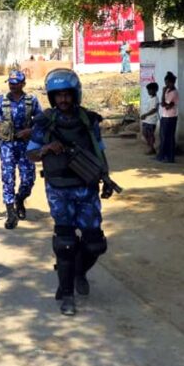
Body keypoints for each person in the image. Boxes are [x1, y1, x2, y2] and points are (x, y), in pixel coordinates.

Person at [26, 68, 115, 316]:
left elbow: (100, 151)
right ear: (52, 98)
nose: (63, 100)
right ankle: (67, 294)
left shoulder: (89, 120)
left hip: (86, 187)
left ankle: (78, 272)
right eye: (58, 96)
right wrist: (46, 148)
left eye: (67, 95)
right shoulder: (44, 122)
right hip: (59, 189)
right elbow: (30, 154)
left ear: (75, 94)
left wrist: (106, 177)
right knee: (65, 242)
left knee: (95, 244)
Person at [0, 70, 43, 230]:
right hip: (7, 145)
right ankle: (11, 213)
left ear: (23, 84)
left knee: (28, 179)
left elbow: (41, 122)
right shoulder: (1, 100)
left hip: (26, 145)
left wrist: (30, 131)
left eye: (16, 83)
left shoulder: (31, 101)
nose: (12, 86)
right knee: (8, 179)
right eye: (10, 83)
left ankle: (19, 199)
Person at [157, 72, 179, 163]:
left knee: (169, 138)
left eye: (167, 83)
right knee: (163, 137)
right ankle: (162, 155)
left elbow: (166, 106)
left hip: (171, 117)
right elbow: (163, 104)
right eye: (165, 83)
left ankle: (170, 157)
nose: (166, 85)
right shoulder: (167, 90)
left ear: (172, 82)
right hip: (165, 116)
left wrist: (162, 93)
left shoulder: (174, 92)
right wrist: (163, 93)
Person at [140, 82, 160, 155]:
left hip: (151, 120)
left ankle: (151, 148)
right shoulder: (151, 98)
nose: (148, 91)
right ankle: (151, 147)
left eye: (150, 90)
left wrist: (145, 114)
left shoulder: (155, 99)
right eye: (148, 90)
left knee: (150, 135)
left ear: (154, 90)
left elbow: (154, 110)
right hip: (147, 120)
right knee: (145, 133)